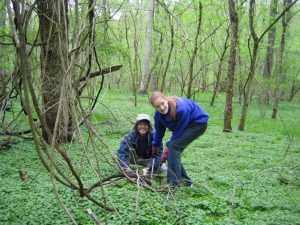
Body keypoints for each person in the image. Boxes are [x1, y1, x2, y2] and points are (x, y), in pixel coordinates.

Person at [150, 91, 209, 187]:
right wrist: (155, 145)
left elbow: (179, 131)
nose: (161, 107)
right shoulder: (158, 115)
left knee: (173, 147)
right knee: (173, 152)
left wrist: (167, 148)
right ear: (155, 108)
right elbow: (159, 131)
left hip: (198, 124)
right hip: (185, 126)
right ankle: (187, 182)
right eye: (157, 106)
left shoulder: (181, 109)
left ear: (166, 100)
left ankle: (173, 183)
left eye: (162, 103)